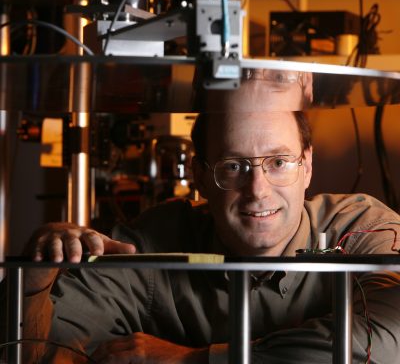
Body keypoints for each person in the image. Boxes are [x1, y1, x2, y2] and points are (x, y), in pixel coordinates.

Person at [4, 80, 400, 363]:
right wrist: (34, 281)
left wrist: (194, 360)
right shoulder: (152, 243)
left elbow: (387, 345)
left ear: (307, 165)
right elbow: (40, 350)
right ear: (199, 175)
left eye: (279, 162)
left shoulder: (364, 228)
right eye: (233, 166)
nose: (258, 189)